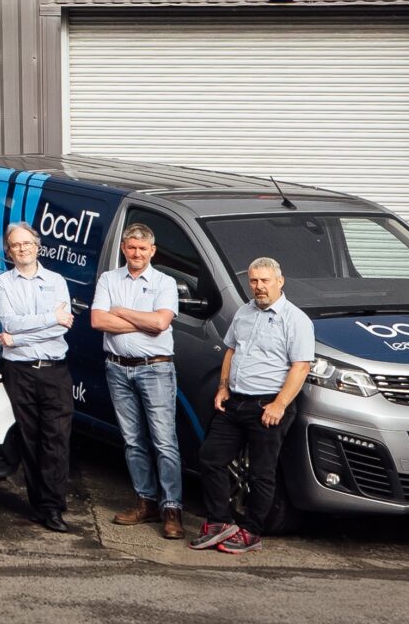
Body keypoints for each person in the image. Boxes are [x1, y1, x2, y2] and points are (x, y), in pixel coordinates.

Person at [188, 258, 316, 556]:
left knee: (261, 473)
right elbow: (232, 350)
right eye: (254, 281)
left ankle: (252, 531)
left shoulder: (295, 320)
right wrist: (222, 388)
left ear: (279, 282)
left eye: (265, 281)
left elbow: (301, 367)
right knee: (211, 458)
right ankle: (220, 522)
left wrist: (280, 404)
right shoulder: (244, 312)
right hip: (236, 403)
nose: (258, 287)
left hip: (267, 406)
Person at [93, 223, 185, 539]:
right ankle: (145, 502)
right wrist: (141, 322)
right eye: (132, 247)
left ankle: (172, 509)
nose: (137, 253)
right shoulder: (109, 279)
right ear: (124, 248)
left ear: (152, 251)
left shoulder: (165, 282)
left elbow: (160, 322)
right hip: (117, 368)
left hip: (156, 369)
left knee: (164, 440)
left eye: (143, 249)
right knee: (132, 440)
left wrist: (120, 312)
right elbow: (97, 320)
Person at [0, 223, 76, 532]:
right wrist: (47, 319)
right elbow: (10, 322)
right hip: (20, 372)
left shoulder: (56, 281)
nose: (22, 248)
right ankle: (38, 505)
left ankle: (54, 507)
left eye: (27, 243)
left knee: (57, 440)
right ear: (9, 250)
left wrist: (18, 339)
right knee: (30, 438)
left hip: (54, 370)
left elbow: (61, 327)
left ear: (37, 246)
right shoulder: (1, 283)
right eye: (16, 245)